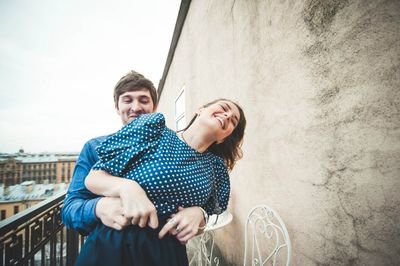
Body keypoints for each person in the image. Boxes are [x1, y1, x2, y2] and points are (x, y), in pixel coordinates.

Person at [74, 98, 246, 266]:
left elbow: (211, 214)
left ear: (224, 137)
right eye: (224, 108)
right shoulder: (155, 129)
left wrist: (200, 214)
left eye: (233, 120)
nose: (227, 115)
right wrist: (127, 187)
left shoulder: (216, 168)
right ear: (200, 110)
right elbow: (93, 178)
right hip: (116, 242)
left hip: (167, 252)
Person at [62, 70, 160, 235]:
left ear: (154, 107)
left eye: (144, 100)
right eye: (127, 100)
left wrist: (198, 213)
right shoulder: (95, 147)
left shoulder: (171, 148)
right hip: (109, 249)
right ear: (117, 107)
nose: (136, 107)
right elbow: (69, 209)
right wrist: (99, 207)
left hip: (162, 249)